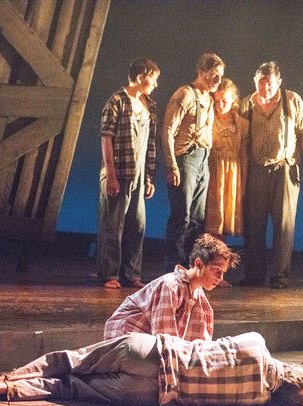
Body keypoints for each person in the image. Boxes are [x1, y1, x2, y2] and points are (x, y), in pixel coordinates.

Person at [0, 332, 303, 406]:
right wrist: (296, 399)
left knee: (71, 360)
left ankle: (6, 378)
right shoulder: (257, 400)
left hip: (153, 354)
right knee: (68, 387)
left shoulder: (257, 343)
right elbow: (281, 394)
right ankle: (7, 393)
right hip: (149, 395)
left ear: (286, 367)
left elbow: (212, 341)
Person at [239, 62, 303, 289]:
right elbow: (241, 142)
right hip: (256, 170)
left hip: (285, 168)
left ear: (279, 82)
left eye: (270, 83)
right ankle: (254, 275)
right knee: (254, 224)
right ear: (255, 82)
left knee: (284, 225)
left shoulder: (292, 101)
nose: (265, 87)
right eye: (261, 82)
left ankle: (280, 276)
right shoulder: (247, 105)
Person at [97, 58, 159, 289]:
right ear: (142, 76)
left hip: (140, 174)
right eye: (154, 78)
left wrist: (150, 176)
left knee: (138, 224)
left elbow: (150, 143)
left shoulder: (150, 105)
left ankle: (132, 273)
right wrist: (110, 174)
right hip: (119, 170)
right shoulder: (116, 101)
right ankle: (110, 274)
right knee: (113, 225)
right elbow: (106, 137)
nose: (155, 84)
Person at [103, 234, 239, 340]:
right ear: (199, 264)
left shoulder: (200, 298)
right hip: (123, 338)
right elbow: (164, 340)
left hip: (143, 343)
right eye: (216, 270)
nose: (221, 277)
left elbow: (199, 344)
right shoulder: (170, 286)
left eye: (223, 273)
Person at [163, 53, 225, 271]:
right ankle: (174, 267)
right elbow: (168, 130)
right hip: (185, 158)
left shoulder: (208, 98)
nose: (217, 80)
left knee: (198, 218)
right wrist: (171, 165)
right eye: (213, 75)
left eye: (220, 76)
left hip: (203, 159)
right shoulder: (185, 94)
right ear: (200, 72)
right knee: (182, 215)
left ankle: (191, 268)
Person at [204, 79, 248, 287]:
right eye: (217, 100)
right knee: (210, 224)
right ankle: (204, 270)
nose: (220, 104)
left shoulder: (241, 124)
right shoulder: (208, 117)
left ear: (233, 100)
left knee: (223, 225)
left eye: (225, 101)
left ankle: (219, 274)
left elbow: (244, 154)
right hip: (213, 170)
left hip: (232, 174)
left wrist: (243, 182)